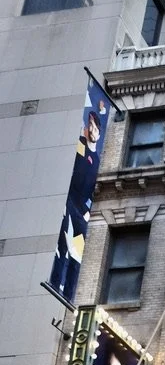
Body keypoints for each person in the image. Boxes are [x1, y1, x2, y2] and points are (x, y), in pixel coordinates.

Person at [51, 110, 102, 299]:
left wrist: (88, 211)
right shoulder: (81, 146)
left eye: (96, 128)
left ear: (99, 132)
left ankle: (68, 295)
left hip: (82, 210)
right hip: (69, 202)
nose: (92, 130)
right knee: (62, 246)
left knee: (76, 254)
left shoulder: (97, 160)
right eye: (91, 126)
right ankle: (55, 284)